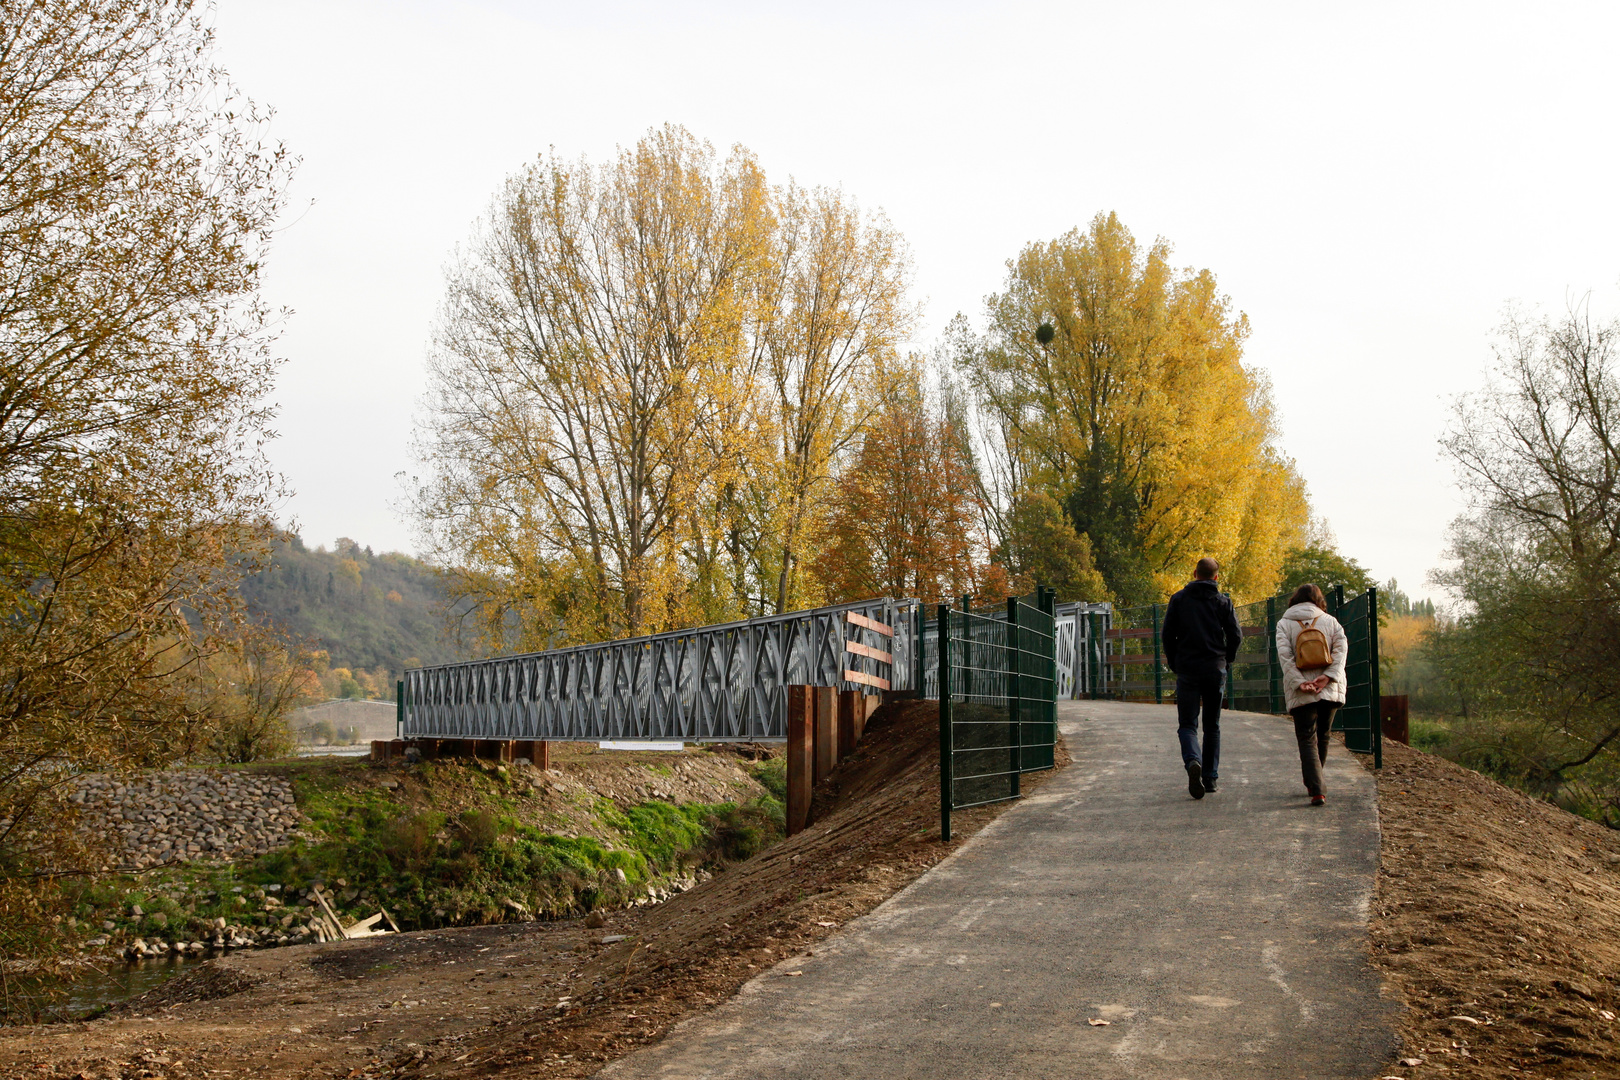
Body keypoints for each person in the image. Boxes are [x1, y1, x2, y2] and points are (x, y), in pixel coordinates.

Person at [1161, 557, 1242, 800]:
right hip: (1214, 668)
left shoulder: (1179, 599)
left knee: (1187, 724)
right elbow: (1235, 636)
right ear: (1216, 577)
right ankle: (1211, 778)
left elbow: (1167, 635)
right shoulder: (1223, 602)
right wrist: (1227, 659)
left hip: (1187, 669)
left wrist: (1175, 662)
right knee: (1212, 725)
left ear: (1195, 573)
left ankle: (1192, 761)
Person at [1275, 583, 1348, 806]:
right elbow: (1340, 650)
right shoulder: (1331, 621)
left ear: (1295, 600)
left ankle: (1316, 787)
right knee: (1323, 735)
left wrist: (1300, 683)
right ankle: (1316, 785)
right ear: (1318, 601)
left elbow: (1285, 657)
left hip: (1302, 690)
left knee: (1307, 738)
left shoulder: (1284, 624)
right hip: (1328, 687)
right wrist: (1328, 677)